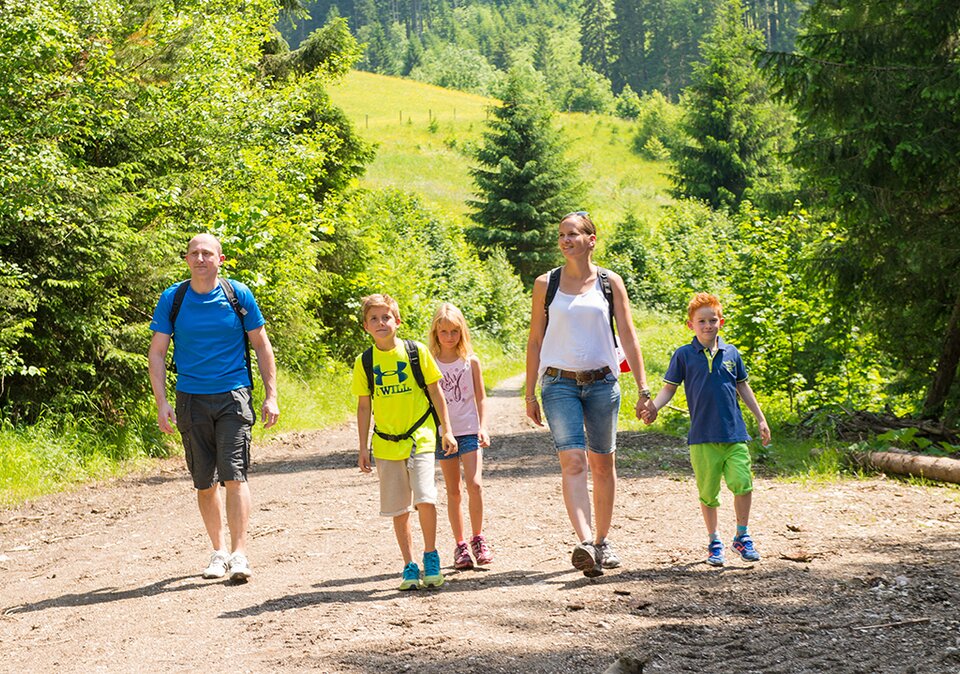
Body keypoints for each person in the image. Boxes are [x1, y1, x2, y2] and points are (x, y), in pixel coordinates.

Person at [525, 211, 654, 577]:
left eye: (573, 234)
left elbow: (628, 336)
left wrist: (643, 389)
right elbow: (535, 339)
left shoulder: (610, 282)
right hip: (558, 383)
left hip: (602, 383)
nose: (566, 240)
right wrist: (530, 392)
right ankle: (583, 543)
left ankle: (601, 541)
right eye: (562, 235)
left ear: (591, 240)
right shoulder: (545, 284)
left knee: (603, 464)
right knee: (573, 463)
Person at [148, 233, 279, 583]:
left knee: (235, 476)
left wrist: (271, 394)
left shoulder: (238, 295)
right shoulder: (173, 299)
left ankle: (239, 554)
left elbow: (262, 346)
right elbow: (157, 353)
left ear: (220, 259)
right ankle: (218, 552)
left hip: (233, 396)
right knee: (204, 483)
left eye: (208, 253)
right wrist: (162, 403)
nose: (201, 258)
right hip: (190, 398)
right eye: (195, 253)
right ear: (187, 259)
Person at [641, 292, 771, 566]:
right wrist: (654, 407)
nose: (708, 325)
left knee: (743, 484)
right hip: (701, 437)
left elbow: (743, 387)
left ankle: (742, 536)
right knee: (708, 493)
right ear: (691, 325)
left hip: (734, 434)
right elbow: (669, 389)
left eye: (713, 320)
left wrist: (760, 418)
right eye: (702, 321)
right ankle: (714, 541)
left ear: (720, 322)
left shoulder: (732, 353)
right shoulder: (684, 355)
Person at [352, 294, 458, 590]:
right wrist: (363, 446)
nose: (381, 323)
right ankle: (409, 565)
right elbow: (364, 406)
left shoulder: (416, 352)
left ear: (397, 321)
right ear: (366, 327)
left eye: (386, 317)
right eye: (374, 318)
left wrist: (445, 430)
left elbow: (437, 393)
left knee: (425, 497)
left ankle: (431, 555)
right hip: (386, 444)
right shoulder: (365, 361)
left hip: (420, 437)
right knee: (399, 509)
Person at [428, 302, 494, 570]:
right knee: (453, 490)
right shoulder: (429, 363)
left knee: (475, 485)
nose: (449, 337)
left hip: (469, 431)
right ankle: (461, 545)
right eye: (444, 332)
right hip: (444, 434)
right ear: (435, 333)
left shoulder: (471, 362)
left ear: (462, 331)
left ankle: (478, 538)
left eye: (454, 331)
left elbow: (481, 397)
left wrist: (484, 426)